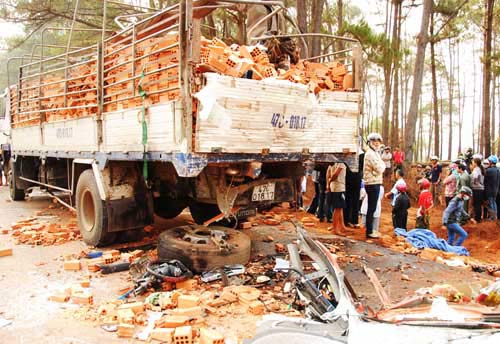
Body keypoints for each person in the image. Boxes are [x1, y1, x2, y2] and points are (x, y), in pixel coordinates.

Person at [363, 133, 387, 238]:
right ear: (370, 142)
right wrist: (382, 166)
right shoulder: (370, 154)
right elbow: (380, 168)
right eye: (374, 141)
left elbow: (381, 166)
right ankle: (369, 231)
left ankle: (370, 229)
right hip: (372, 183)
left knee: (372, 207)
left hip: (375, 181)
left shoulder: (375, 153)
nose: (376, 143)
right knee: (371, 208)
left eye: (378, 141)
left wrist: (382, 166)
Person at [325, 162, 347, 231]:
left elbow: (328, 174)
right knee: (338, 208)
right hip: (339, 187)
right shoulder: (341, 163)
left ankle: (341, 225)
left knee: (339, 208)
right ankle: (335, 228)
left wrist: (328, 184)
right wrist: (330, 181)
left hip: (334, 186)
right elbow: (335, 174)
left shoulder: (332, 163)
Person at [484, 155, 500, 221]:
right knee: (494, 202)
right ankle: (495, 216)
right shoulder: (497, 170)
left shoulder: (489, 170)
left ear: (491, 162)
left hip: (490, 190)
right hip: (496, 189)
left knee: (491, 203)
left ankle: (492, 217)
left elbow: (485, 181)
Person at [470, 157, 485, 222]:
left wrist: (473, 183)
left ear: (475, 163)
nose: (472, 163)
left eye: (473, 162)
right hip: (480, 188)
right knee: (478, 203)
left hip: (477, 188)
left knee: (477, 204)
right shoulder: (479, 169)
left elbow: (475, 177)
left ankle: (477, 219)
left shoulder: (476, 169)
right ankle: (478, 217)